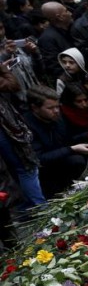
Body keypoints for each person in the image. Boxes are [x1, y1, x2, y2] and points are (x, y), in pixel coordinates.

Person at [22, 85, 88, 198]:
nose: (56, 111)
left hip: (61, 158)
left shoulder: (56, 117)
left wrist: (86, 135)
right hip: (45, 172)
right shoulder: (27, 127)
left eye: (57, 106)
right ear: (35, 108)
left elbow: (67, 138)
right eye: (50, 108)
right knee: (75, 160)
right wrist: (71, 149)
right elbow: (39, 159)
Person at [0, 61, 45, 208]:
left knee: (14, 172)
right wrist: (3, 69)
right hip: (5, 127)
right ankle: (40, 207)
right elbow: (12, 85)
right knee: (25, 168)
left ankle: (28, 209)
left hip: (6, 125)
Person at [38, 2, 75, 81]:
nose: (70, 13)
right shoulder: (47, 39)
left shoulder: (72, 28)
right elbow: (54, 67)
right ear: (60, 17)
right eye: (66, 11)